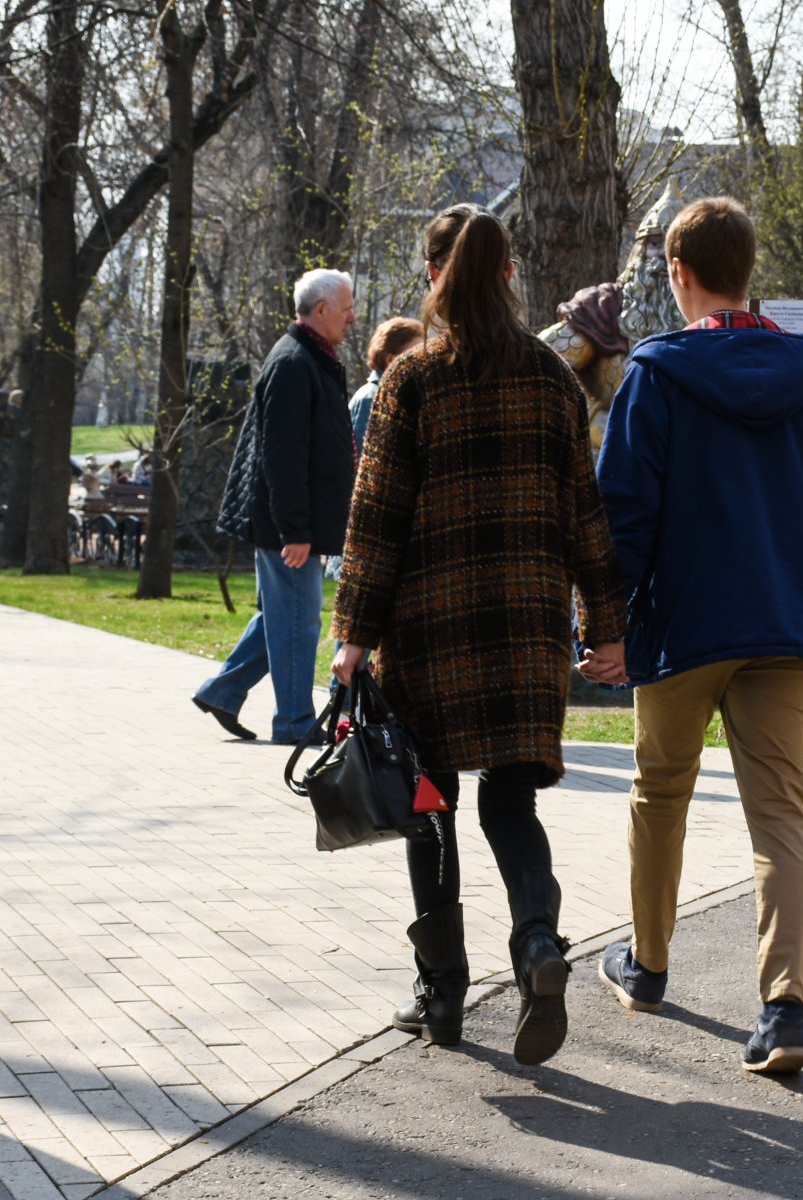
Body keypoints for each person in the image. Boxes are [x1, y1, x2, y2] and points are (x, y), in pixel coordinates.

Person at [586, 196, 803, 1075]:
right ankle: (782, 1011)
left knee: (660, 792)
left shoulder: (656, 372)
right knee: (779, 810)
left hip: (681, 625)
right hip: (786, 627)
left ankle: (646, 966)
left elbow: (623, 514)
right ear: (748, 270)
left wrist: (607, 624)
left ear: (679, 272)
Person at [330, 204, 627, 1067]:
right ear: (506, 276)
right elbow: (586, 517)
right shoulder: (551, 379)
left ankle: (442, 993)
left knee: (431, 807)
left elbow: (375, 520)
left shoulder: (412, 380)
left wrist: (352, 634)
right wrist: (605, 627)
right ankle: (538, 941)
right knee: (511, 797)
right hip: (527, 626)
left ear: (433, 277)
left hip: (432, 629)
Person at [193, 268, 357, 744]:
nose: (351, 318)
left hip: (293, 521)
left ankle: (222, 692)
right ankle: (294, 724)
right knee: (298, 620)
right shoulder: (294, 362)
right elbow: (281, 458)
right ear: (321, 310)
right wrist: (296, 531)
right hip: (287, 525)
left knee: (283, 615)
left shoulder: (310, 357)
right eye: (346, 309)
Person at [348, 317, 424, 451]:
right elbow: (364, 459)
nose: (423, 363)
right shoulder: (370, 398)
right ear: (390, 360)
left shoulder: (400, 397)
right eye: (415, 356)